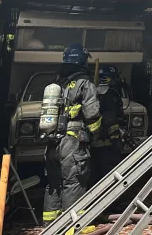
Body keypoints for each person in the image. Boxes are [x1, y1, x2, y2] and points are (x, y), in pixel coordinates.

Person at [42, 44, 101, 230]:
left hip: (52, 141)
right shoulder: (85, 83)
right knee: (74, 182)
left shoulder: (58, 82)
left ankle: (51, 224)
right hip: (72, 141)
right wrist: (94, 134)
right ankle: (73, 227)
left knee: (54, 183)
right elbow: (92, 114)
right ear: (83, 61)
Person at [91, 65, 125, 183]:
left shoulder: (93, 93)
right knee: (110, 176)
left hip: (93, 145)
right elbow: (112, 120)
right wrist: (116, 139)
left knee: (95, 175)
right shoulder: (112, 95)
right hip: (109, 145)